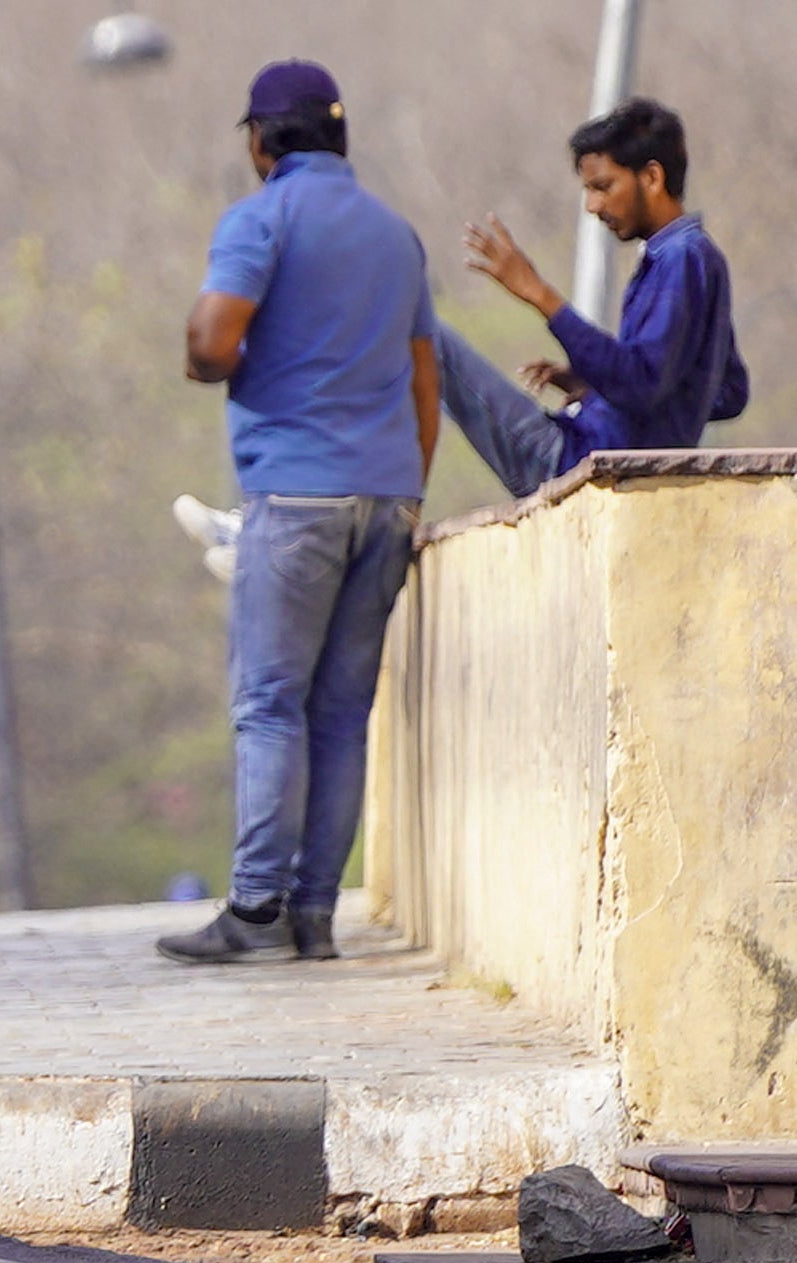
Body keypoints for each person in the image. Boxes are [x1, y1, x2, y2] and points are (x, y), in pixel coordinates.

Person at [163, 61, 436, 966]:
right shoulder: (396, 236)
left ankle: (251, 910)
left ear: (259, 141)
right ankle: (313, 914)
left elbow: (210, 338)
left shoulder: (261, 218)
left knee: (269, 703)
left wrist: (213, 363)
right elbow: (423, 380)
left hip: (295, 495)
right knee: (339, 711)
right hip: (387, 494)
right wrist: (404, 490)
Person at [437, 97, 749, 499]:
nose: (593, 206)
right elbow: (727, 391)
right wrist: (601, 388)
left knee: (426, 334)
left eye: (602, 186)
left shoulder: (681, 259)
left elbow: (642, 384)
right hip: (589, 445)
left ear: (652, 178)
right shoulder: (693, 257)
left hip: (578, 458)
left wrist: (540, 295)